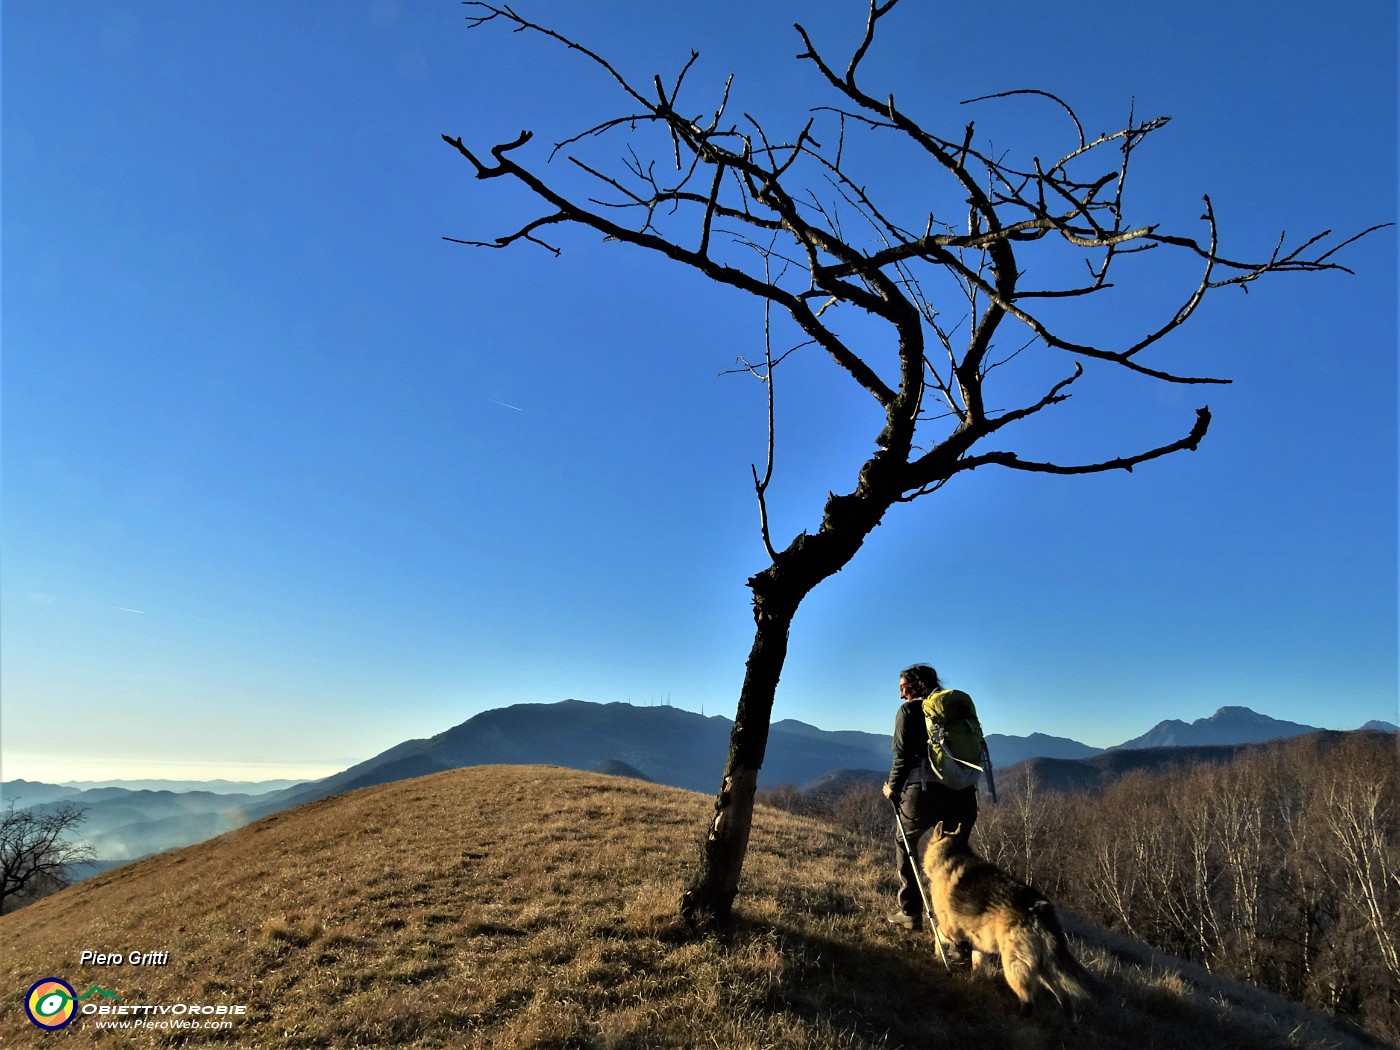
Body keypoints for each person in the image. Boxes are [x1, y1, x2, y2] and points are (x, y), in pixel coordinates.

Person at [881, 663, 979, 929]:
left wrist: (892, 786)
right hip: (963, 794)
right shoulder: (953, 711)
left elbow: (902, 757)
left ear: (914, 685)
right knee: (953, 860)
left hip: (923, 793)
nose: (901, 695)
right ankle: (957, 927)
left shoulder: (910, 711)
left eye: (903, 688)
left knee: (905, 843)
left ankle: (910, 911)